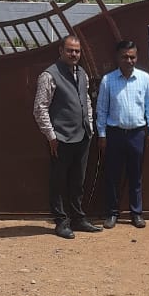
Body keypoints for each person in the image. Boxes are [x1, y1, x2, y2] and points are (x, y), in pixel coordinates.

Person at [33, 34, 101, 239]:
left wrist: (89, 126)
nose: (74, 54)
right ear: (61, 51)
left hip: (82, 136)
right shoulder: (49, 75)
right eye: (70, 50)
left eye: (77, 51)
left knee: (78, 181)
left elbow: (86, 102)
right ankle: (61, 222)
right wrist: (51, 136)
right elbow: (40, 108)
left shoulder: (82, 73)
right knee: (58, 181)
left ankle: (78, 218)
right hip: (60, 138)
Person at [96, 38, 149, 229]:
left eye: (132, 57)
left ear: (136, 57)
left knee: (135, 175)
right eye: (125, 57)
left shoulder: (144, 78)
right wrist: (102, 134)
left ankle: (136, 213)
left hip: (137, 134)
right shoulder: (108, 80)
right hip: (114, 134)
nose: (129, 61)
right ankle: (112, 213)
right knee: (112, 175)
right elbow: (101, 109)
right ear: (118, 57)